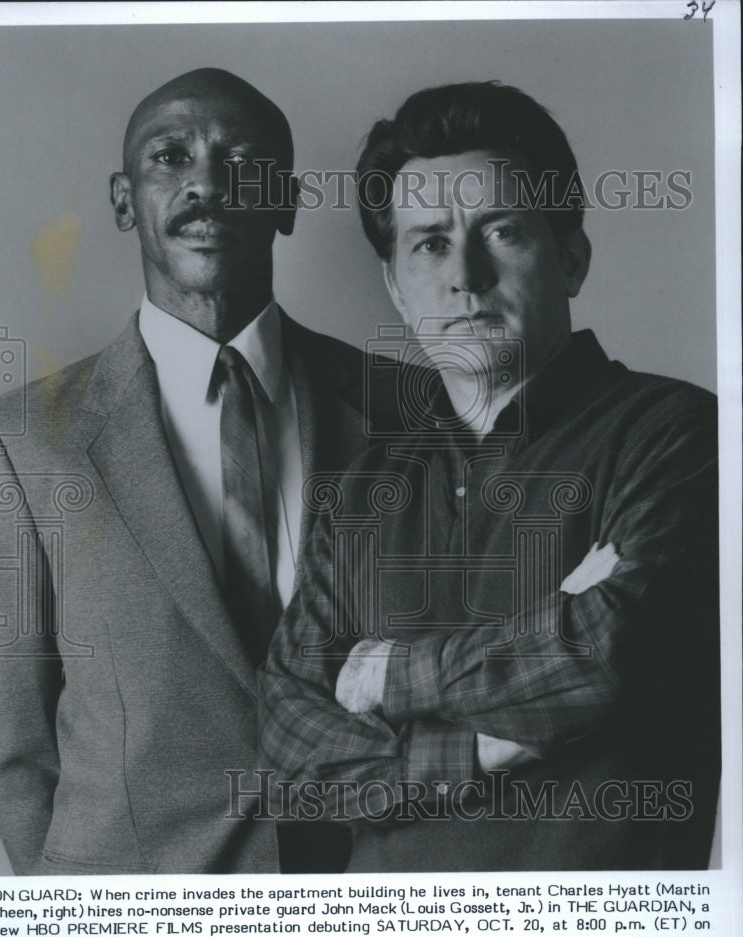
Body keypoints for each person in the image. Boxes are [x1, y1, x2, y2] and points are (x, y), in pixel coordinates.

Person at [259, 81, 720, 871]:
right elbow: (290, 742)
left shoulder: (676, 433)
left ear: (570, 258)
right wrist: (473, 752)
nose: (464, 275)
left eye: (501, 231)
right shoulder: (366, 488)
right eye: (429, 243)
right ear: (397, 291)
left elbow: (611, 653)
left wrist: (387, 673)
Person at [0, 68, 406, 875]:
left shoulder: (409, 413)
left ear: (284, 200)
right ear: (121, 200)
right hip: (130, 918)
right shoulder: (25, 436)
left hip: (365, 896)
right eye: (169, 158)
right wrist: (73, 918)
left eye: (242, 163)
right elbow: (13, 736)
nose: (207, 184)